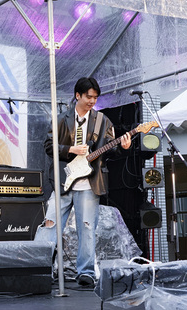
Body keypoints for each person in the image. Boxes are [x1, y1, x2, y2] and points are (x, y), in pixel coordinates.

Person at [35, 77, 131, 288]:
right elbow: (49, 146)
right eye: (89, 96)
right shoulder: (61, 119)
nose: (92, 101)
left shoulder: (102, 121)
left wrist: (122, 148)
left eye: (95, 97)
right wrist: (70, 149)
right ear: (77, 95)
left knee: (87, 229)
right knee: (49, 226)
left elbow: (110, 150)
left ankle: (86, 272)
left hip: (89, 183)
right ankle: (37, 268)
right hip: (63, 180)